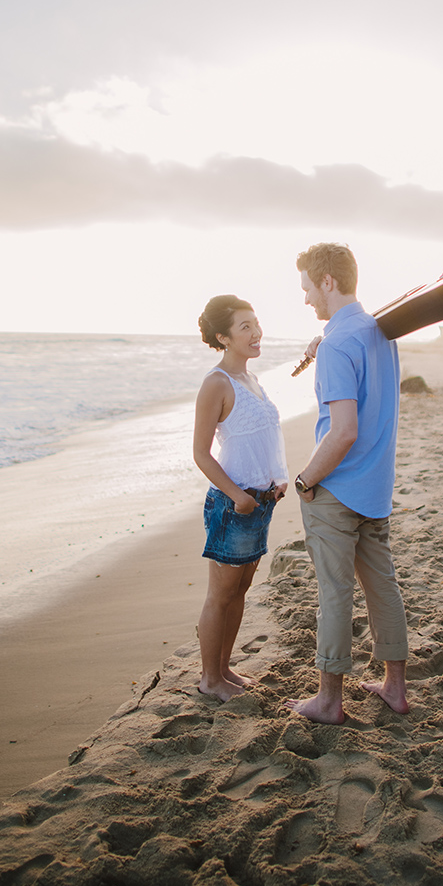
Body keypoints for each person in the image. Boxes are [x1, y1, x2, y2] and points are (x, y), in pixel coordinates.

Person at [286, 243, 409, 725]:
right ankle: (395, 688)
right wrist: (326, 341)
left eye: (307, 289)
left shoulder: (339, 343)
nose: (305, 299)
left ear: (327, 282)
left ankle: (329, 700)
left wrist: (305, 479)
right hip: (376, 486)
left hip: (336, 489)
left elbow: (343, 431)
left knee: (335, 592)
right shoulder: (381, 330)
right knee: (382, 585)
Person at [193, 295, 288, 702]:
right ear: (223, 337)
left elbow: (265, 439)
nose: (256, 332)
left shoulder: (253, 380)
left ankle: (225, 668)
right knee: (221, 594)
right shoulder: (217, 383)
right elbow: (200, 452)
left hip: (261, 502)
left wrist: (279, 479)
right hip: (234, 507)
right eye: (244, 327)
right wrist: (238, 497)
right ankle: (209, 679)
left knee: (240, 591)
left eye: (256, 323)